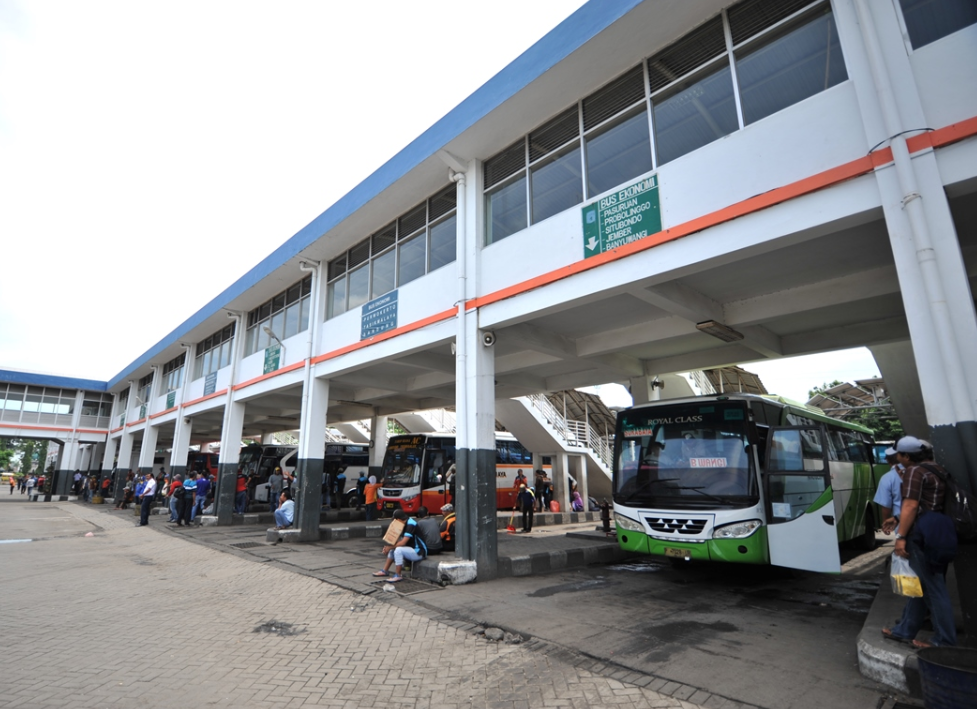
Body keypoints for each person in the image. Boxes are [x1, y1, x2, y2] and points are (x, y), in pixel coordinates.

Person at [883, 436, 957, 648]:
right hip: (939, 532)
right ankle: (904, 630)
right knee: (921, 585)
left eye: (899, 454)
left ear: (907, 456)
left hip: (921, 535)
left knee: (934, 589)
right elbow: (928, 503)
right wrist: (896, 519)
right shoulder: (937, 469)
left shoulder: (915, 471)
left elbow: (911, 506)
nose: (897, 458)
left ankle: (944, 641)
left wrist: (901, 537)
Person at [373, 509, 426, 582]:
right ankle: (385, 571)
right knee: (393, 550)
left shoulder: (411, 524)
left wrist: (390, 547)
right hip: (410, 549)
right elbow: (396, 541)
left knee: (398, 550)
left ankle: (398, 575)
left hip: (419, 552)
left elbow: (403, 542)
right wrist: (388, 547)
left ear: (398, 519)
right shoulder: (402, 524)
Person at [874, 446, 903, 534]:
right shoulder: (915, 472)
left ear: (888, 460)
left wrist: (886, 522)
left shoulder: (887, 478)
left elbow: (886, 506)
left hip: (900, 522)